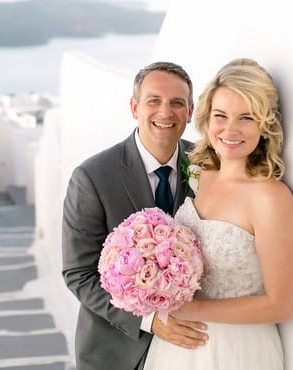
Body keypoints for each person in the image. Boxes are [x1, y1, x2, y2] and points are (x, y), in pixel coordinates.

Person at [143, 58, 293, 369]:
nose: (230, 130)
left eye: (246, 118)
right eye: (221, 116)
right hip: (174, 348)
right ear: (206, 118)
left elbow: (281, 305)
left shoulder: (270, 197)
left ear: (265, 124)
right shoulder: (201, 175)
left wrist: (191, 310)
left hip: (236, 351)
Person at [62, 62, 209, 370]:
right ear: (134, 107)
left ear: (190, 110)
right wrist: (150, 320)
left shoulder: (206, 166)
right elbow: (79, 273)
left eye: (177, 103)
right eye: (154, 100)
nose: (165, 112)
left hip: (193, 350)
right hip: (115, 353)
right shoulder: (92, 178)